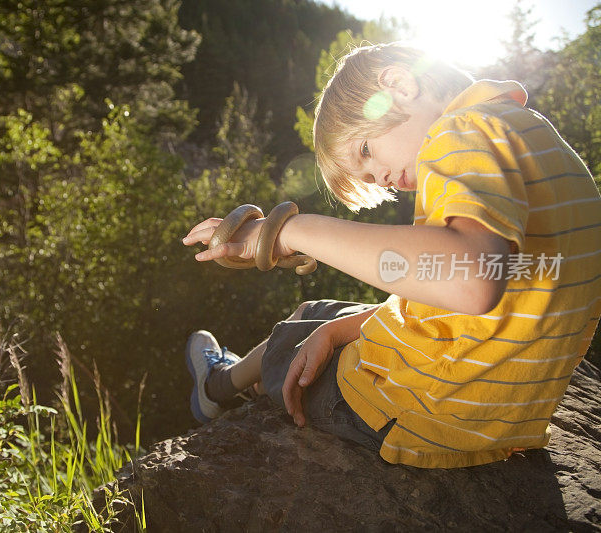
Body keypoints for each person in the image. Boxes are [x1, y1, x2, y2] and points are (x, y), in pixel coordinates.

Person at [181, 42, 601, 468]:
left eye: (365, 151)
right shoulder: (534, 138)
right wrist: (341, 329)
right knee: (323, 317)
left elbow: (470, 279)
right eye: (372, 180)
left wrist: (293, 229)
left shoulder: (458, 134)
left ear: (400, 83)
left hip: (429, 410)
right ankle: (243, 380)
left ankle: (219, 387)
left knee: (292, 340)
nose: (383, 179)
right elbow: (490, 300)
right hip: (501, 410)